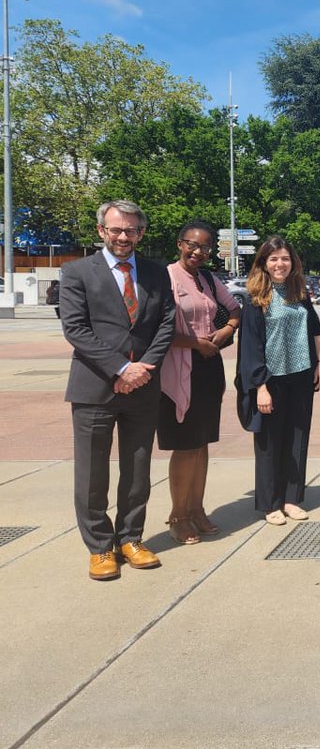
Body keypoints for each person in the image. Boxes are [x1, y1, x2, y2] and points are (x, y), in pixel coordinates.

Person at [60, 200, 175, 581]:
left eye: (131, 230)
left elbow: (166, 325)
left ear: (141, 233)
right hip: (95, 387)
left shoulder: (157, 274)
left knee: (138, 469)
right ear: (101, 231)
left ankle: (131, 538)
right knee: (92, 472)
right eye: (116, 230)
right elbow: (76, 329)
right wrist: (121, 367)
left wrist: (143, 368)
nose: (124, 237)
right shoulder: (77, 272)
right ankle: (99, 547)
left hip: (143, 387)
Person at [159, 221, 242, 545]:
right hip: (178, 368)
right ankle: (178, 516)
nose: (198, 251)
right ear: (180, 244)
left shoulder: (207, 279)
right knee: (185, 445)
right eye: (192, 244)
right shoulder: (165, 277)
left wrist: (226, 331)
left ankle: (196, 508)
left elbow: (235, 310)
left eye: (205, 247)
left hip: (208, 367)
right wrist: (195, 344)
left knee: (203, 441)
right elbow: (157, 328)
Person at [236, 236, 320, 526]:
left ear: (293, 262)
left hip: (300, 375)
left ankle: (291, 498)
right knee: (269, 443)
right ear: (263, 263)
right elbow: (250, 346)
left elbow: (315, 329)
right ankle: (270, 502)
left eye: (285, 258)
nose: (280, 264)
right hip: (271, 380)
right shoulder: (255, 299)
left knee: (297, 439)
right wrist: (259, 386)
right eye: (273, 259)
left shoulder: (299, 293)